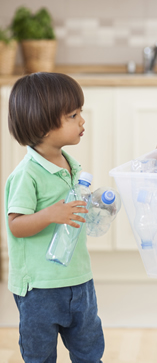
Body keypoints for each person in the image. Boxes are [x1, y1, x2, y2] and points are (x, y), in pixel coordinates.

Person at [5, 72, 104, 363]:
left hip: (79, 279)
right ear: (43, 125)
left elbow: (70, 213)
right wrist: (50, 214)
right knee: (40, 356)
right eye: (73, 115)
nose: (82, 121)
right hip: (40, 288)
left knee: (89, 351)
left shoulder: (72, 167)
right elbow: (15, 225)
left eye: (80, 113)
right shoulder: (27, 175)